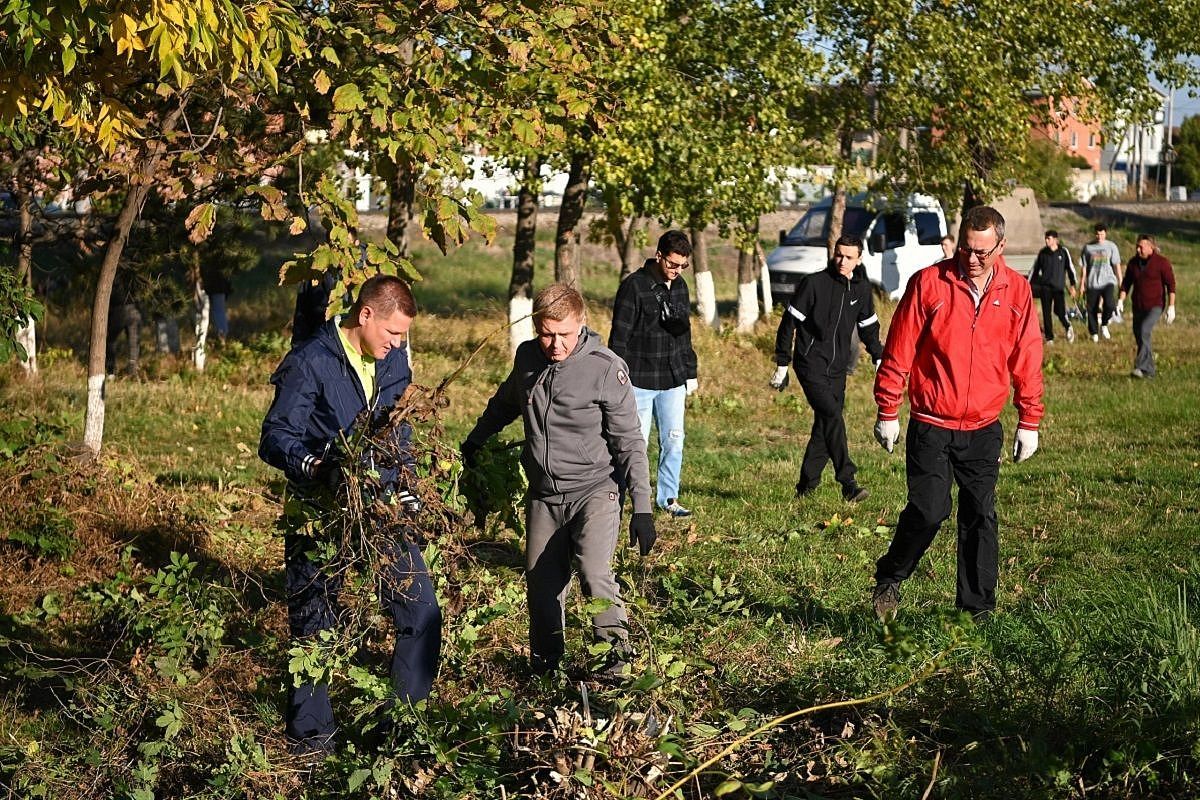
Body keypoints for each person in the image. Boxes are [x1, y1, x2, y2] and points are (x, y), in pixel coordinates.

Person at [260, 275, 440, 755]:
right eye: (392, 333)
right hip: (319, 512)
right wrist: (317, 466)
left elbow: (397, 428)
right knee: (315, 623)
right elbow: (275, 437)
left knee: (421, 610)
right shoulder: (311, 361)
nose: (399, 344)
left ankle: (399, 730)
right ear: (365, 316)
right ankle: (313, 742)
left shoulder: (393, 359)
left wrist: (408, 487)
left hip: (380, 506)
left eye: (403, 336)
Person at [462, 284, 655, 677]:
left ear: (581, 323)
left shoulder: (605, 367)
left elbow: (629, 442)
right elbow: (505, 402)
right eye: (546, 333)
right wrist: (476, 440)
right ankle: (546, 668)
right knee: (542, 585)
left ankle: (614, 666)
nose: (555, 344)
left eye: (564, 334)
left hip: (595, 490)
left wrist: (643, 507)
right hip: (544, 496)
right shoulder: (527, 357)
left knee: (593, 573)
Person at [871, 206, 1044, 621]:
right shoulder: (929, 283)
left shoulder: (1017, 290)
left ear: (1001, 246)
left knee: (980, 515)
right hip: (931, 423)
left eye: (983, 252)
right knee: (930, 511)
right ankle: (891, 575)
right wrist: (888, 409)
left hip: (984, 428)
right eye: (966, 247)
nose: (972, 258)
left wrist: (1030, 419)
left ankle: (975, 610)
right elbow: (900, 349)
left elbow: (1027, 356)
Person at [770, 233, 883, 502]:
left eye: (848, 257)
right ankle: (848, 482)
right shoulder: (814, 283)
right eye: (838, 255)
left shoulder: (861, 290)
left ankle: (805, 488)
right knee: (832, 415)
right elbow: (789, 324)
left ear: (859, 259)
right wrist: (783, 363)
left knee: (824, 426)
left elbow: (868, 328)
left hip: (838, 369)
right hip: (810, 363)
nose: (842, 261)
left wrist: (879, 357)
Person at [609, 230, 699, 518]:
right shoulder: (634, 287)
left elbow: (684, 334)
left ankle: (668, 498)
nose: (676, 271)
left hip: (673, 380)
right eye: (672, 264)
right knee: (635, 444)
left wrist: (690, 371)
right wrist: (618, 379)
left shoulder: (681, 286)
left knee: (674, 439)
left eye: (683, 266)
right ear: (659, 255)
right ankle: (621, 497)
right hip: (639, 380)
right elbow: (619, 338)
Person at [1118, 234, 1176, 379]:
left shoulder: (1162, 263)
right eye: (1137, 246)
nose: (1138, 250)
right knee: (1140, 336)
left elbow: (1171, 285)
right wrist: (1121, 300)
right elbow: (1126, 283)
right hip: (1138, 305)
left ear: (1151, 247)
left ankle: (1140, 367)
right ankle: (1149, 371)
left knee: (1144, 331)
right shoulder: (1133, 263)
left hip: (1155, 305)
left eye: (1141, 247)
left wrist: (1171, 306)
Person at [1029, 229, 1078, 344]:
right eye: (1045, 238)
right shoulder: (1043, 253)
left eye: (1049, 239)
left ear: (1055, 239)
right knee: (1046, 313)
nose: (1046, 241)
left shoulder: (1063, 252)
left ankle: (1068, 326)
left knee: (1059, 311)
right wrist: (1028, 284)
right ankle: (1050, 337)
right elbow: (1034, 271)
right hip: (1045, 288)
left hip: (1059, 288)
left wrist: (1072, 285)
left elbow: (1071, 269)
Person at [1080, 223, 1122, 342]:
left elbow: (1116, 265)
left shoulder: (1111, 246)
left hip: (1108, 280)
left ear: (1105, 233)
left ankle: (1104, 324)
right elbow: (1084, 267)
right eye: (1097, 234)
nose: (1099, 236)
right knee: (1091, 308)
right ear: (1095, 234)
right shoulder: (1088, 248)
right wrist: (1082, 284)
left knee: (1109, 304)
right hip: (1093, 282)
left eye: (1102, 234)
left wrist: (1120, 281)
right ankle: (1094, 332)